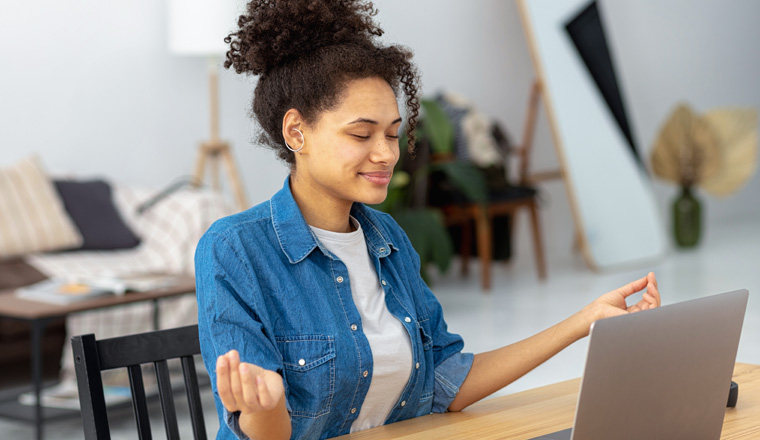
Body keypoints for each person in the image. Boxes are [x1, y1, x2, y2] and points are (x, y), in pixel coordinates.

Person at [194, 1, 661, 439]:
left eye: (393, 134)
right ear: (297, 131)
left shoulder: (387, 239)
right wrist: (266, 406)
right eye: (361, 134)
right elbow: (261, 432)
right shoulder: (234, 249)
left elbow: (445, 380)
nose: (386, 154)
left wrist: (586, 321)